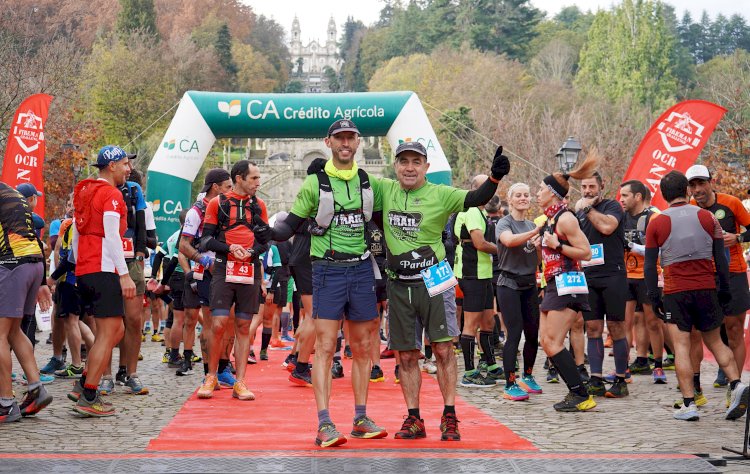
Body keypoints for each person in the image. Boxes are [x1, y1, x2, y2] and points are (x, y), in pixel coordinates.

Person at [260, 119, 386, 447]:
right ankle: (324, 423)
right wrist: (265, 234)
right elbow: (290, 226)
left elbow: (383, 225)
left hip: (360, 270)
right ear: (328, 142)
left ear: (358, 142)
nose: (346, 143)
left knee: (361, 347)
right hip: (327, 270)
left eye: (351, 138)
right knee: (326, 346)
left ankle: (360, 417)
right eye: (339, 138)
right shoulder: (314, 184)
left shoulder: (371, 183)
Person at [378, 142, 510, 441]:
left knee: (441, 348)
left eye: (416, 161)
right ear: (395, 165)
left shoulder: (441, 193)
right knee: (408, 355)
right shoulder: (383, 189)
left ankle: (450, 416)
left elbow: (477, 197)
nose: (409, 167)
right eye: (404, 162)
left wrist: (494, 179)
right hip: (399, 281)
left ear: (426, 166)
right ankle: (414, 418)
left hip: (433, 278)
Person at [644, 170, 749, 421]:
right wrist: (723, 289)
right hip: (706, 287)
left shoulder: (656, 221)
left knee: (681, 346)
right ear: (687, 190)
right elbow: (720, 260)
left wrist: (653, 297)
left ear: (663, 194)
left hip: (675, 291)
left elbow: (649, 266)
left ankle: (689, 403)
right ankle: (737, 385)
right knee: (715, 341)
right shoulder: (707, 217)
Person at [69, 145, 137, 416]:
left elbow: (75, 233)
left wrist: (77, 268)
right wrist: (124, 275)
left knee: (115, 331)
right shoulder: (110, 194)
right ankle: (88, 394)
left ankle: (83, 382)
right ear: (111, 166)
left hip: (86, 270)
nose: (128, 169)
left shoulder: (85, 191)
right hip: (104, 268)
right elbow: (112, 236)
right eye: (124, 164)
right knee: (110, 332)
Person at [196, 160, 268, 401]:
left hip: (249, 270)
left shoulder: (259, 205)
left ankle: (241, 381)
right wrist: (230, 247)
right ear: (239, 178)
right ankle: (211, 376)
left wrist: (252, 252)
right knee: (218, 323)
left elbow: (265, 241)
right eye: (254, 178)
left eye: (258, 178)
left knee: (244, 326)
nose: (258, 183)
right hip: (223, 268)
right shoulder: (218, 204)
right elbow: (205, 241)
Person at [537, 154, 598, 412]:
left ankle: (580, 393)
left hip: (567, 283)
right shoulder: (551, 219)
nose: (536, 193)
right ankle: (578, 391)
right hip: (552, 283)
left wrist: (557, 245)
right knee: (546, 341)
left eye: (540, 190)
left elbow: (586, 252)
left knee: (552, 342)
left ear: (552, 193)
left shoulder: (565, 218)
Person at [686, 165, 750, 389]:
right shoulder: (690, 208)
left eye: (701, 183)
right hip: (704, 275)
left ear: (711, 182)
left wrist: (738, 237)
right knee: (701, 330)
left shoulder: (731, 203)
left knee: (733, 330)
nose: (697, 189)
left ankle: (736, 388)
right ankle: (695, 386)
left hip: (733, 273)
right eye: (693, 185)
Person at [0, 181, 54, 423]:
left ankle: (5, 403)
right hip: (33, 263)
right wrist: (41, 281)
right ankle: (36, 389)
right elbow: (34, 233)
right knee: (13, 332)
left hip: (13, 263)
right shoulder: (10, 191)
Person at [575, 171, 630, 398]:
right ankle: (596, 379)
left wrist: (587, 209)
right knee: (593, 328)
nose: (588, 191)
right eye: (584, 187)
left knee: (616, 328)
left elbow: (607, 227)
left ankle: (620, 379)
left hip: (613, 275)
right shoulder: (577, 212)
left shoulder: (612, 206)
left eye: (592, 187)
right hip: (589, 275)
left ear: (602, 186)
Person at [176, 169, 232, 379]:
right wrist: (203, 259)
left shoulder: (228, 207)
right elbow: (183, 245)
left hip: (229, 270)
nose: (231, 191)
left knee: (229, 322)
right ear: (215, 187)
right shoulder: (196, 212)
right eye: (227, 186)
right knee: (210, 323)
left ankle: (224, 369)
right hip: (208, 273)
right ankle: (209, 373)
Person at [495, 183, 542, 401]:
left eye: (526, 194)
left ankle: (528, 376)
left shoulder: (532, 224)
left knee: (533, 333)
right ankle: (510, 383)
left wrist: (540, 245)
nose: (523, 198)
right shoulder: (504, 223)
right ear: (510, 199)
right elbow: (508, 241)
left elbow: (537, 260)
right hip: (508, 283)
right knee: (514, 333)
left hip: (529, 283)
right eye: (519, 195)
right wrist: (534, 234)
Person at [454, 175, 502, 388]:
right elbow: (480, 243)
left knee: (488, 321)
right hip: (471, 272)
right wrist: (504, 249)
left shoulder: (480, 211)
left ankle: (490, 365)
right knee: (471, 324)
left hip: (483, 273)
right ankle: (469, 372)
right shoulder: (472, 210)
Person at [619, 180, 667, 384]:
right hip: (625, 276)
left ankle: (658, 366)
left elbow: (660, 251)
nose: (621, 200)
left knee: (653, 322)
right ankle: (623, 368)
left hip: (648, 276)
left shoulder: (653, 217)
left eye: (625, 196)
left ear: (637, 197)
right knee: (625, 323)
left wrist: (631, 245)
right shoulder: (620, 218)